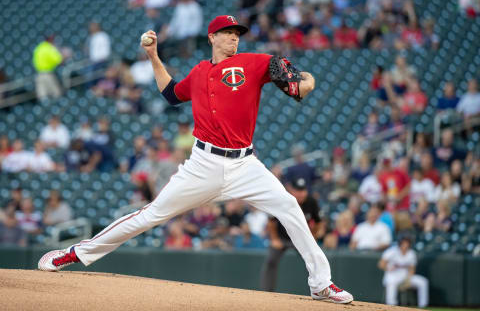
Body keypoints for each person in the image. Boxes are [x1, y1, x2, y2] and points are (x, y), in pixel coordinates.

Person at [38, 15, 353, 304]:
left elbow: (297, 84)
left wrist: (306, 81)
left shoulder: (253, 63)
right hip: (203, 165)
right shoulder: (200, 72)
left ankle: (320, 283)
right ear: (212, 37)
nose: (234, 39)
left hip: (245, 165)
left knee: (289, 207)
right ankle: (74, 253)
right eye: (227, 33)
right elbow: (171, 93)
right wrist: (153, 57)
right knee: (149, 216)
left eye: (237, 34)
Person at [260, 178, 323, 292]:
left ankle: (320, 289)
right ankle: (266, 292)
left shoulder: (311, 202)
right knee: (271, 260)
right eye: (298, 190)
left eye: (303, 190)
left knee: (315, 261)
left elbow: (319, 222)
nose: (301, 193)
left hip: (301, 240)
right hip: (282, 238)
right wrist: (274, 239)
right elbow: (271, 221)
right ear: (291, 190)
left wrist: (312, 238)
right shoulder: (283, 199)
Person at [378, 236, 429, 307]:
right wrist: (388, 268)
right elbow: (381, 264)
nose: (405, 245)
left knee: (423, 282)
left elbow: (412, 268)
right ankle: (391, 305)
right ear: (400, 244)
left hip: (405, 276)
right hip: (392, 275)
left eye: (407, 243)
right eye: (404, 243)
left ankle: (423, 305)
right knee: (391, 282)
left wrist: (408, 279)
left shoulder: (411, 253)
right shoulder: (392, 251)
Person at [32, 35, 63, 100]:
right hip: (48, 74)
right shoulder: (49, 48)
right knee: (56, 94)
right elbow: (58, 60)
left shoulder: (38, 48)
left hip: (39, 74)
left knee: (43, 97)